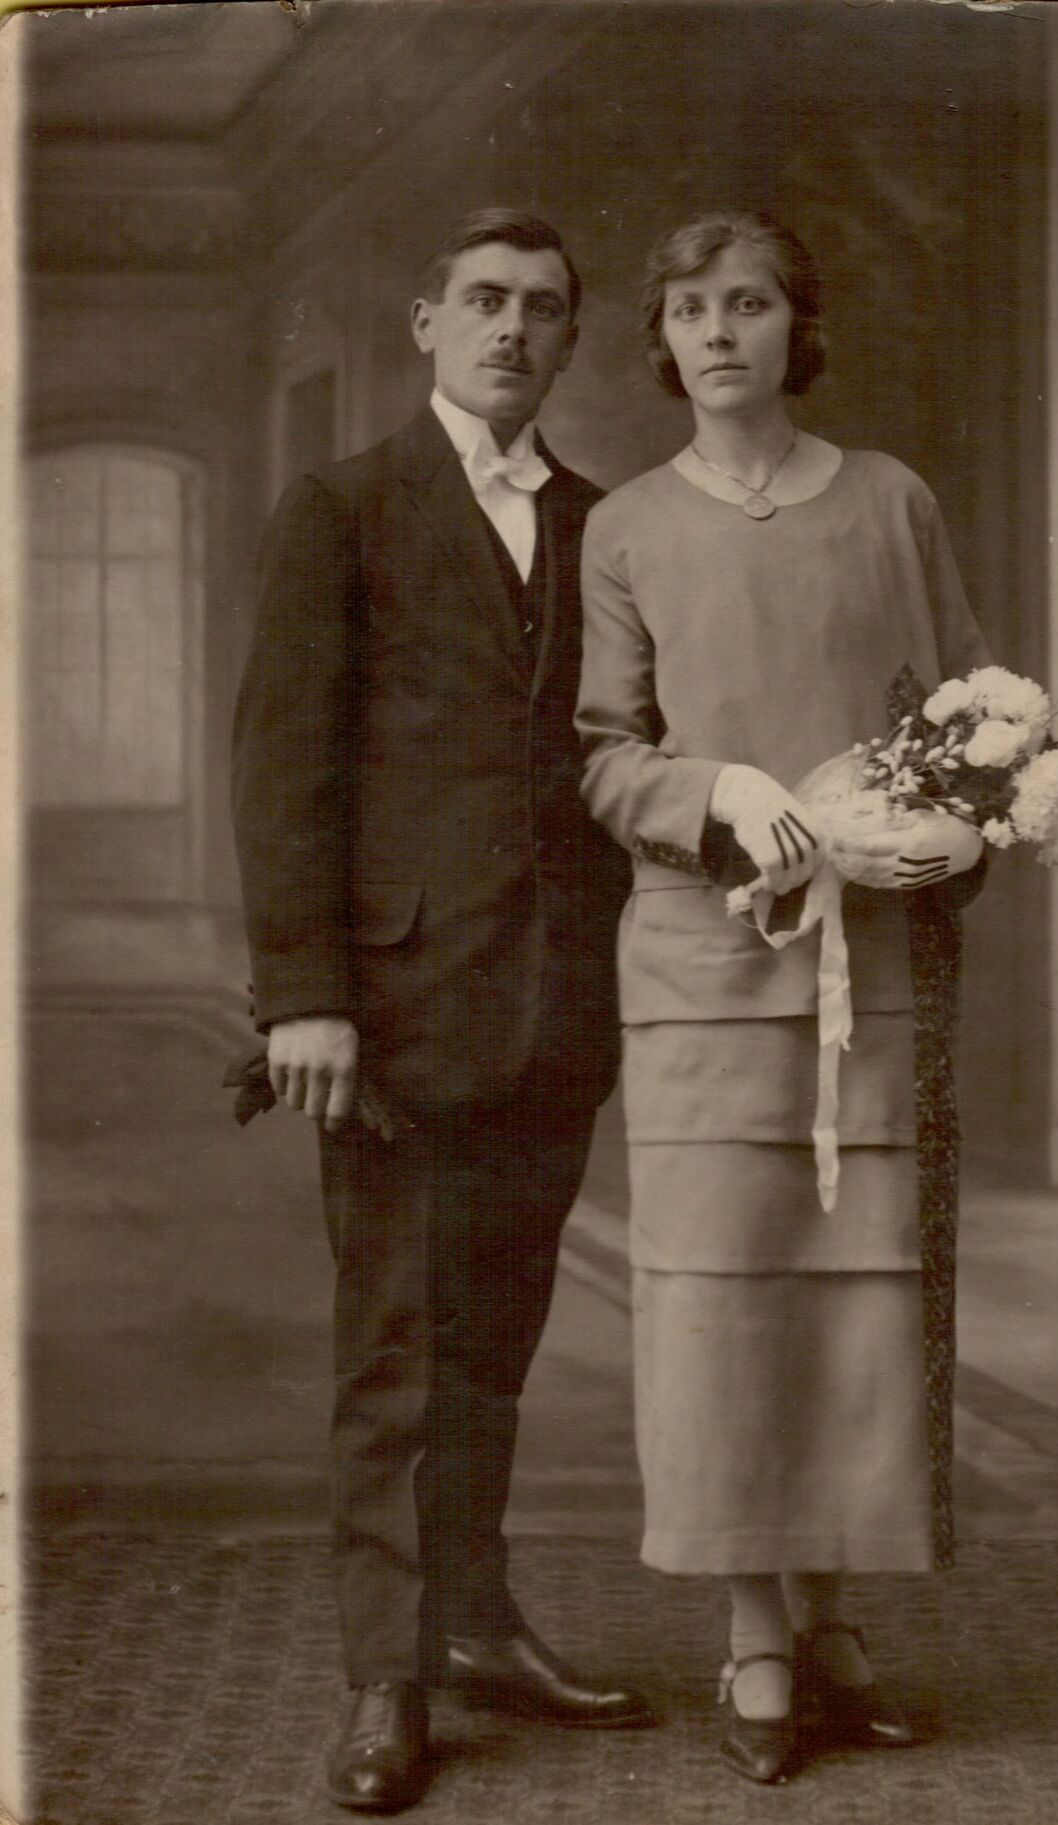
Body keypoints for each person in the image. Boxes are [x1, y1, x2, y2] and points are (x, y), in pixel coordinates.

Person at [232, 207, 653, 1816]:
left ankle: (474, 1624)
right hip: (394, 1013)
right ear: (424, 323)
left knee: (494, 1345)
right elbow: (287, 768)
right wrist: (309, 999)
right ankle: (386, 1678)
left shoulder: (602, 524)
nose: (511, 331)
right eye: (482, 302)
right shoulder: (340, 508)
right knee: (399, 1352)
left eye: (544, 310)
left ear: (568, 341)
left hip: (557, 1008)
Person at [575, 209, 988, 1785]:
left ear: (794, 327)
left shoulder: (890, 501)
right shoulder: (625, 529)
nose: (720, 331)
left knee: (860, 1297)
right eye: (689, 308)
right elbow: (606, 754)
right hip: (699, 968)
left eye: (749, 302)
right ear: (664, 340)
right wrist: (727, 786)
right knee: (723, 1298)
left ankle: (834, 1623)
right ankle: (752, 1626)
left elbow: (967, 709)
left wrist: (936, 829)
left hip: (872, 960)